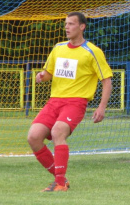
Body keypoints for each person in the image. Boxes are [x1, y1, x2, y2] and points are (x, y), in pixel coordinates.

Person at [27, 12, 113, 192]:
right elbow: (49, 72)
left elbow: (106, 80)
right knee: (33, 137)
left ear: (82, 27)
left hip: (75, 103)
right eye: (66, 24)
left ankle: (59, 185)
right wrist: (42, 76)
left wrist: (102, 107)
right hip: (54, 101)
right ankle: (61, 179)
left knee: (58, 131)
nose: (67, 27)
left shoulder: (92, 51)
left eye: (71, 24)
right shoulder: (58, 48)